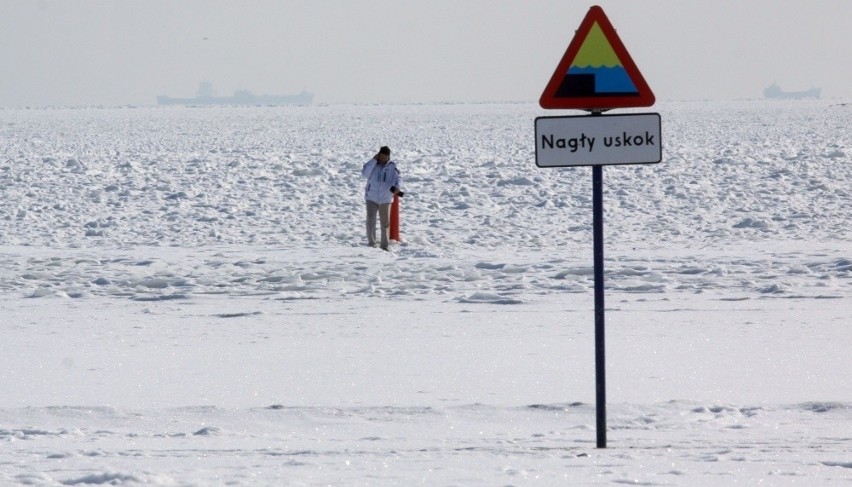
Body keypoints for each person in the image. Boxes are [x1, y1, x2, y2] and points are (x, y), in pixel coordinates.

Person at [361, 146, 403, 250]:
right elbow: (364, 173)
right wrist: (373, 160)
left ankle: (384, 245)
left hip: (385, 198)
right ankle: (371, 244)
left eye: (385, 157)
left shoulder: (392, 167)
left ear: (388, 157)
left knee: (385, 223)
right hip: (371, 197)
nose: (382, 158)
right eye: (381, 156)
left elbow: (398, 178)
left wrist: (397, 187)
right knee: (370, 221)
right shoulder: (373, 164)